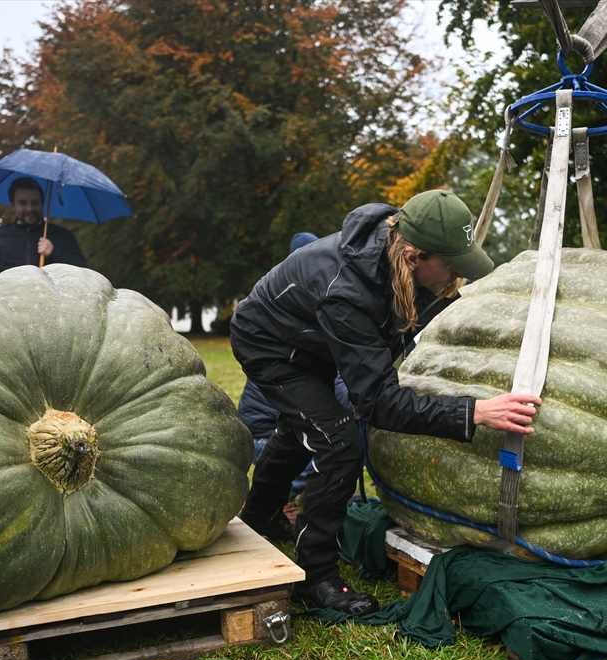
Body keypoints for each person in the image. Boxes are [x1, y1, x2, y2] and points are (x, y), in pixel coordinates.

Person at [231, 190, 542, 616]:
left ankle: (261, 515)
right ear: (415, 258)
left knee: (304, 426)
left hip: (308, 336)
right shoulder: (347, 293)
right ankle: (315, 577)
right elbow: (380, 403)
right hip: (269, 344)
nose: (457, 276)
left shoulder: (395, 259)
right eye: (451, 265)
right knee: (338, 443)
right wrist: (475, 412)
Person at [238, 232, 354, 505]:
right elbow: (340, 398)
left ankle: (277, 501)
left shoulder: (297, 320)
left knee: (329, 432)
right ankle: (296, 497)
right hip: (262, 439)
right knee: (335, 437)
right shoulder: (291, 331)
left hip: (283, 427)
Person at [0, 177, 87, 280]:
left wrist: (54, 253)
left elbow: (83, 272)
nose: (30, 208)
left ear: (42, 203)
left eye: (35, 203)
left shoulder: (62, 235)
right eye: (23, 203)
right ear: (13, 204)